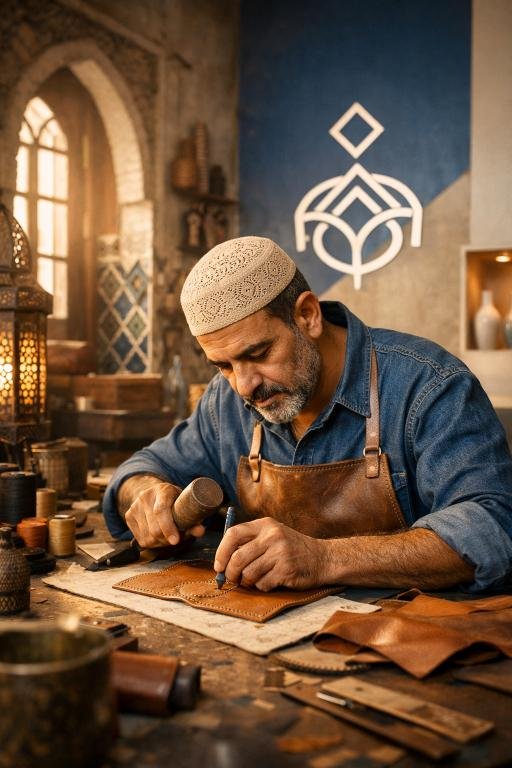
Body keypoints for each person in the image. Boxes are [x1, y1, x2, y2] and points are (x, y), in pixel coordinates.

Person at [103, 236, 512, 594]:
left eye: (258, 354)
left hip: (410, 644)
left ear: (308, 316)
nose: (245, 386)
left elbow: (491, 526)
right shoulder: (226, 405)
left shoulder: (427, 386)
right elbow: (143, 467)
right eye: (223, 366)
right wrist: (143, 492)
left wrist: (324, 559)